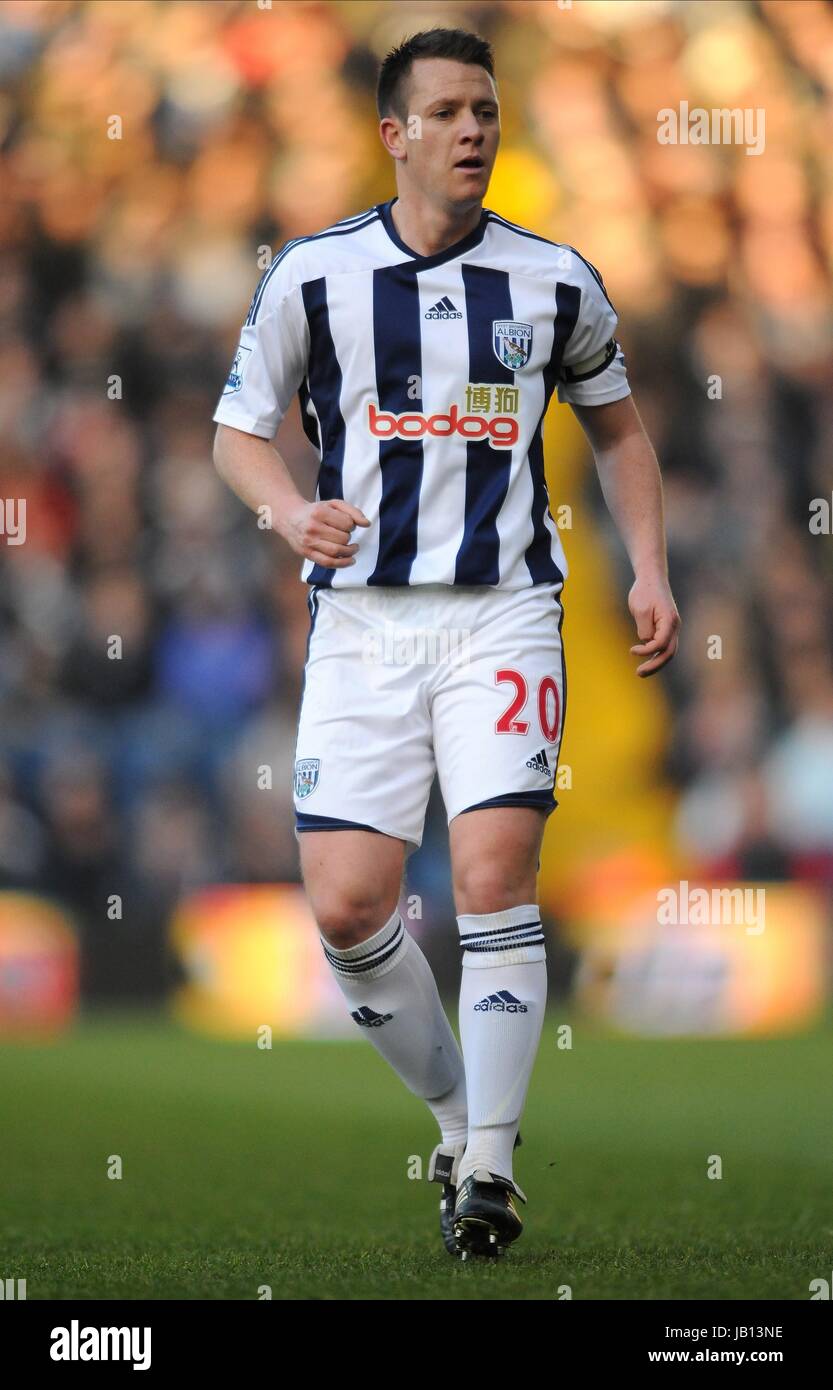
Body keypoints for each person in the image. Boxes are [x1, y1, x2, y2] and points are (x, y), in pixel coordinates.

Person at [212, 26, 680, 1260]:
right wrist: (285, 509)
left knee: (488, 881)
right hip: (362, 620)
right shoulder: (311, 277)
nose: (473, 128)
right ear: (393, 134)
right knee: (350, 909)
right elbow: (237, 431)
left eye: (485, 107)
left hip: (501, 614)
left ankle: (491, 1167)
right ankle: (456, 1118)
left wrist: (650, 569)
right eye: (448, 111)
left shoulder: (553, 280)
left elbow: (622, 433)